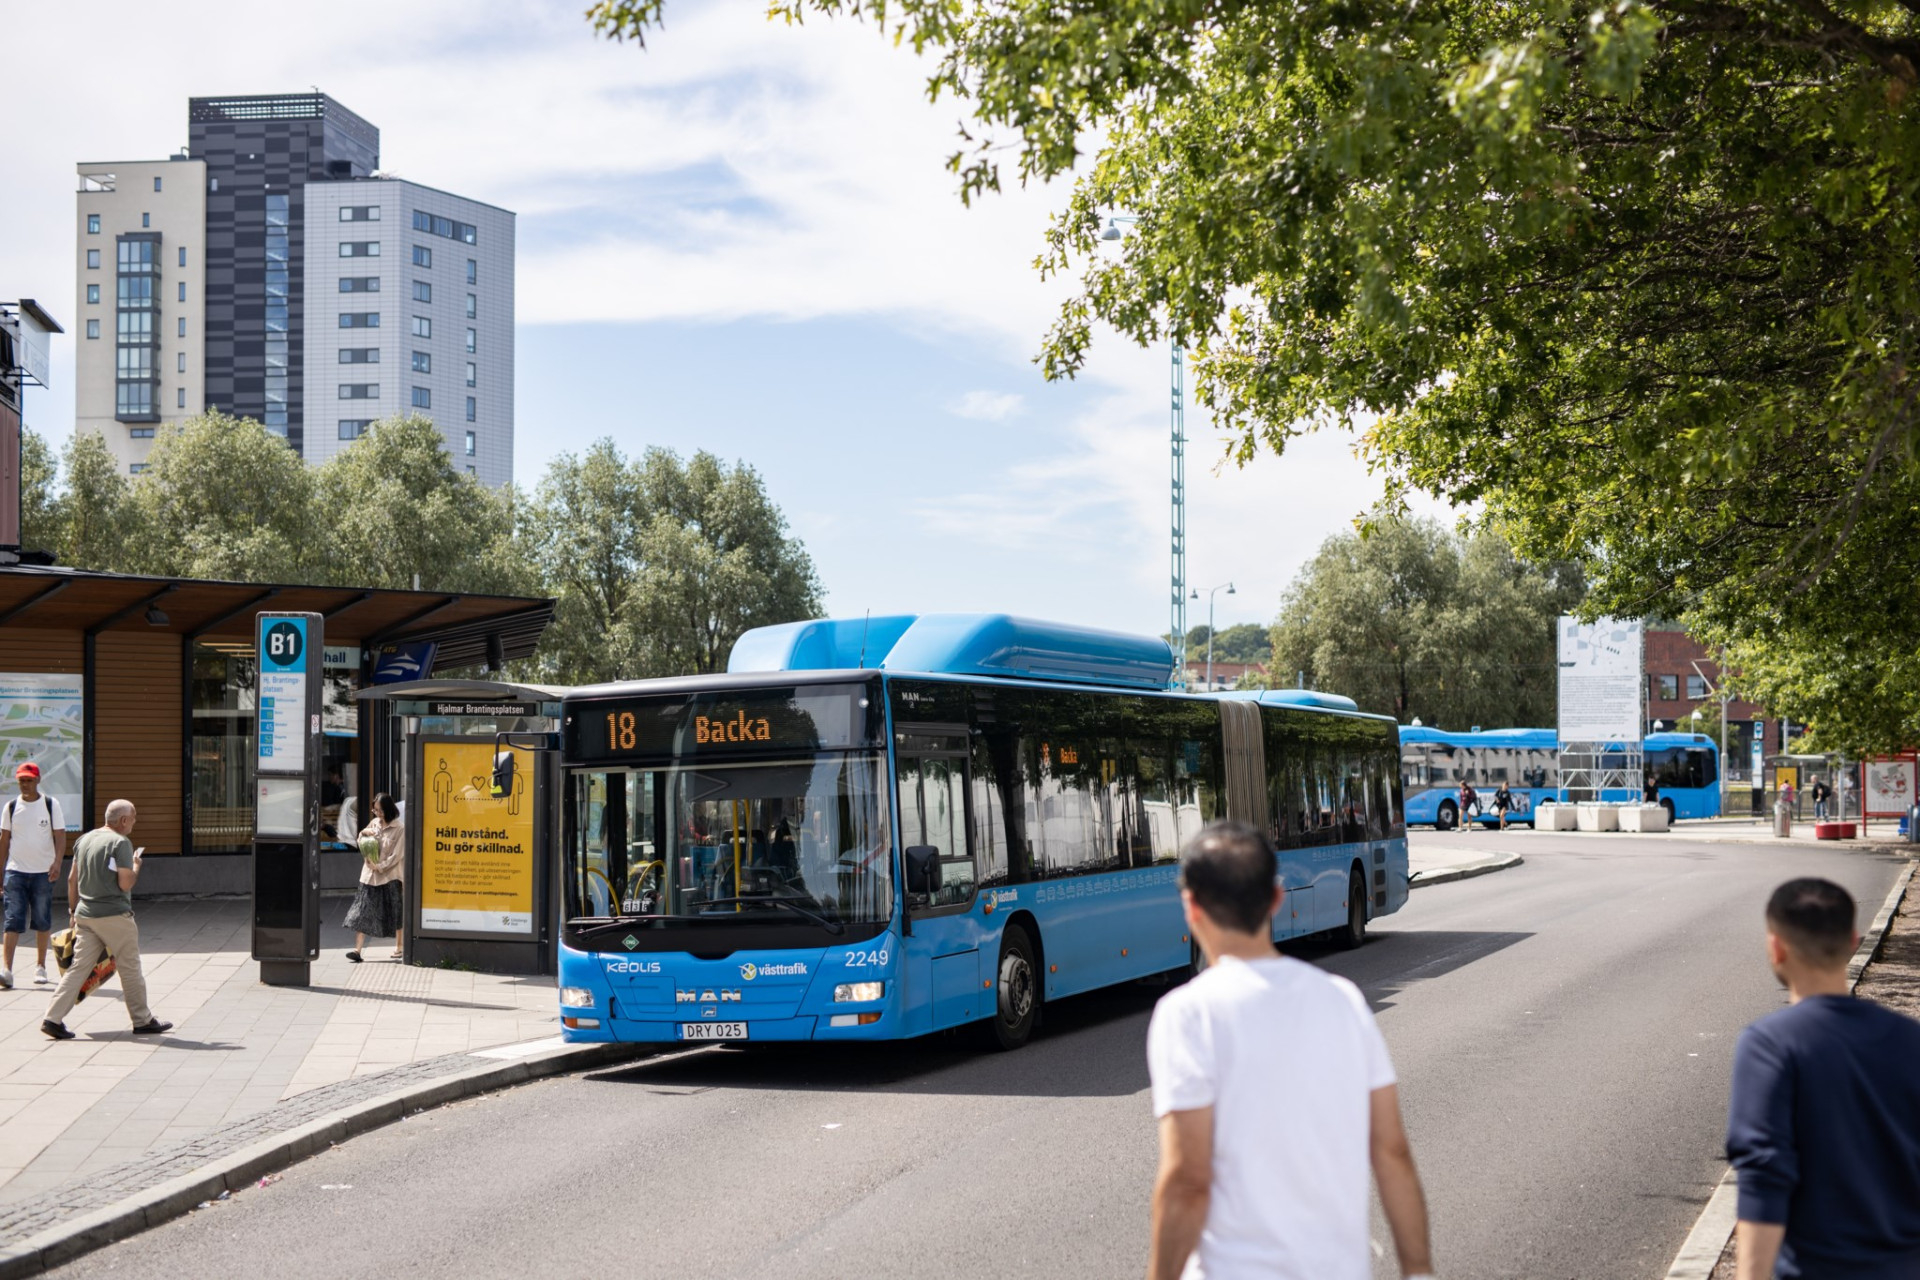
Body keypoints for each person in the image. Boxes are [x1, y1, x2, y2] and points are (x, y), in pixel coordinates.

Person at [1146, 821, 1434, 1280]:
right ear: (1277, 898)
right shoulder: (1343, 1000)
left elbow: (1187, 1181)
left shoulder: (1187, 1014)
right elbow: (1390, 1150)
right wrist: (1418, 1270)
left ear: (1191, 907)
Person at [1726, 878, 1920, 1277]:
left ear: (1776, 947)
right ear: (1853, 941)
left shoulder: (1769, 1046)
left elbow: (1765, 1179)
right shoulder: (1910, 1039)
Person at [42, 800, 170, 1040]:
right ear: (123, 820)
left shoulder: (85, 839)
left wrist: (72, 912)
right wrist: (135, 865)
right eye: (133, 817)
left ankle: (52, 1018)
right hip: (114, 916)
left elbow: (72, 880)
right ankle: (142, 1020)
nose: (134, 822)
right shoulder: (120, 842)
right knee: (130, 967)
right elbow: (125, 883)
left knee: (78, 968)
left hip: (85, 914)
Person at [0, 763, 67, 988]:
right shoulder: (10, 807)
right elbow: (4, 842)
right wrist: (1, 872)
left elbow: (60, 836)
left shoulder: (50, 804)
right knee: (12, 920)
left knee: (41, 919)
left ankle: (40, 966)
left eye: (29, 780)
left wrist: (57, 862)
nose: (25, 784)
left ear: (38, 781)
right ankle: (7, 970)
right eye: (21, 780)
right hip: (15, 871)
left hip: (42, 872)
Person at [344, 793, 405, 962]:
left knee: (395, 912)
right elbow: (362, 843)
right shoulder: (373, 824)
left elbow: (397, 855)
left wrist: (379, 866)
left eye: (380, 810)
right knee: (363, 910)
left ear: (388, 810)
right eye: (375, 810)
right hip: (369, 876)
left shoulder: (399, 828)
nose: (377, 813)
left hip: (390, 876)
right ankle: (357, 950)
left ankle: (399, 947)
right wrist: (363, 833)